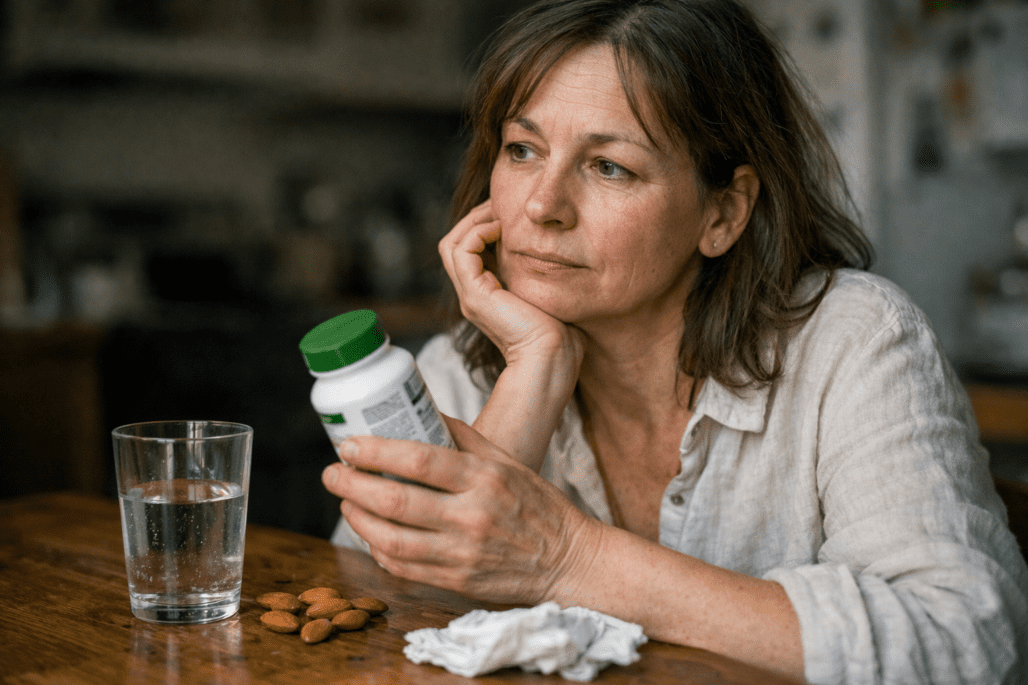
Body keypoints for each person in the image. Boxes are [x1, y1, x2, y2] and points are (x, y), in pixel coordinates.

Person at [320, 0, 1028, 682]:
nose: (541, 206)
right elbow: (368, 630)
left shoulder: (856, 343)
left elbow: (963, 645)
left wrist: (570, 557)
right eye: (523, 149)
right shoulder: (459, 368)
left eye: (609, 167)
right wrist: (533, 376)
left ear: (722, 212)